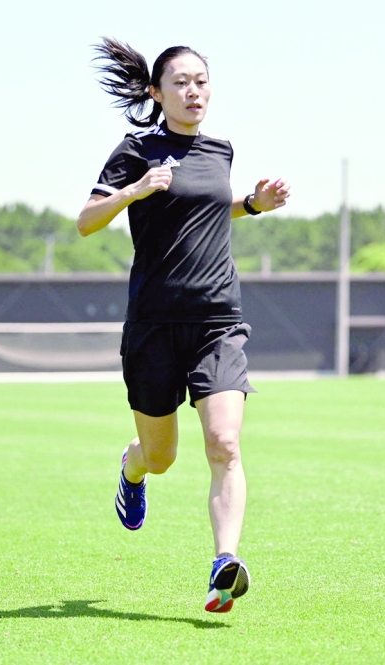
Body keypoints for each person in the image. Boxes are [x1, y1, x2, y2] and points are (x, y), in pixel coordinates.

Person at [77, 37, 290, 613]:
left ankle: (224, 563)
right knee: (163, 455)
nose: (193, 91)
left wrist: (250, 204)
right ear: (157, 92)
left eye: (201, 81)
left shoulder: (220, 149)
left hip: (217, 319)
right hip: (153, 321)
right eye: (181, 83)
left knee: (224, 443)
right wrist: (135, 189)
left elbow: (204, 207)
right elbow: (85, 221)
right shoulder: (135, 149)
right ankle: (133, 466)